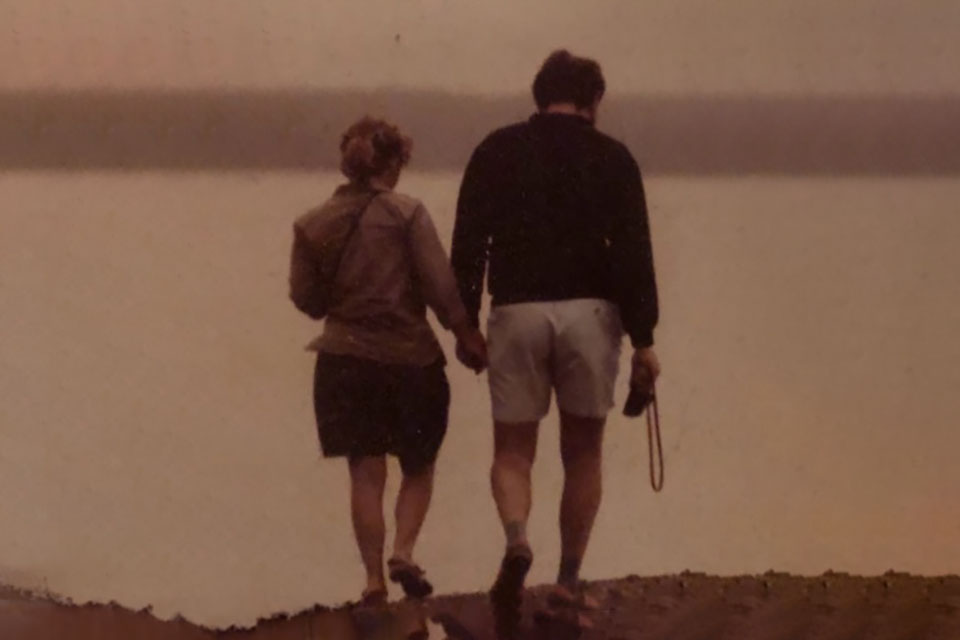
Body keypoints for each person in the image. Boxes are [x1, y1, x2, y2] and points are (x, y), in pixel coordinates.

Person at [450, 50, 661, 628]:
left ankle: (518, 537)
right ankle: (567, 583)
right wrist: (644, 338)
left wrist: (465, 322)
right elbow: (635, 255)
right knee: (583, 452)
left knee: (513, 451)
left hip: (517, 310)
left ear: (539, 95)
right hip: (590, 313)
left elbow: (469, 241)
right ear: (593, 101)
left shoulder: (497, 149)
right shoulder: (614, 159)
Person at [289, 116, 488, 605]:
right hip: (411, 362)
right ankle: (404, 549)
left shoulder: (312, 223)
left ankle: (373, 579)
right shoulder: (407, 214)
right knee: (419, 466)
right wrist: (467, 337)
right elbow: (441, 288)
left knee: (365, 473)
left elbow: (306, 299)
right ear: (395, 163)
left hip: (343, 362)